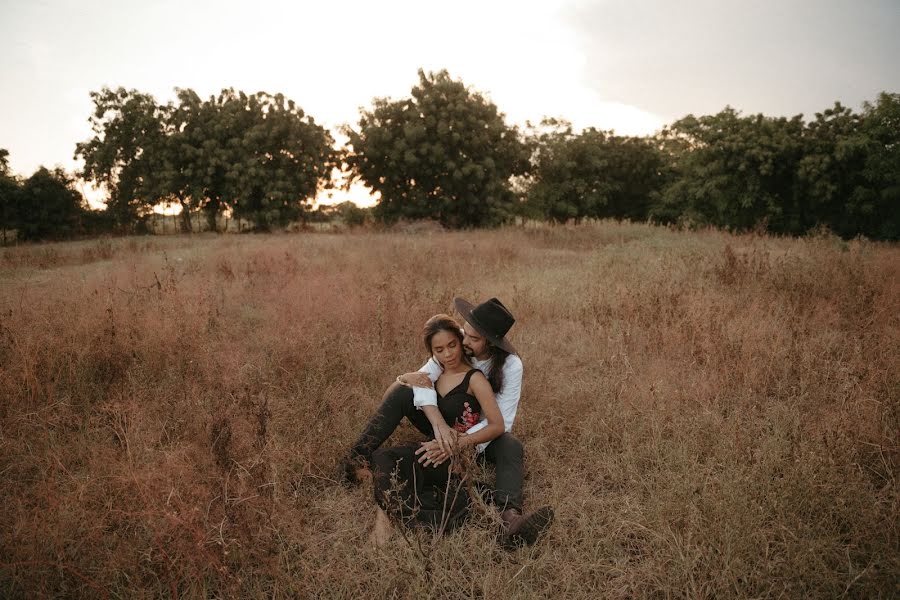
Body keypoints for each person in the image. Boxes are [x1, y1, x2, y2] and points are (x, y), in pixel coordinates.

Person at [344, 297, 553, 548]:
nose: (465, 341)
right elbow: (422, 383)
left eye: (473, 338)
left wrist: (458, 443)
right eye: (466, 332)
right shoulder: (454, 342)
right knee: (401, 392)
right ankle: (357, 458)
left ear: (491, 341)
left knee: (511, 444)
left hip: (480, 433)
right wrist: (440, 427)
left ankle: (509, 518)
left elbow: (501, 422)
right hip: (444, 418)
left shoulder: (510, 365)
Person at [369, 314, 504, 544]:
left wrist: (459, 444)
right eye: (439, 350)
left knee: (384, 458)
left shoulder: (474, 379)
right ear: (432, 352)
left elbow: (497, 425)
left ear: (461, 342)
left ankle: (396, 522)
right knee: (383, 460)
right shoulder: (433, 376)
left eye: (452, 345)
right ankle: (423, 519)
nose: (448, 354)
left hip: (455, 455)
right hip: (432, 447)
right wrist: (404, 378)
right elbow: (388, 400)